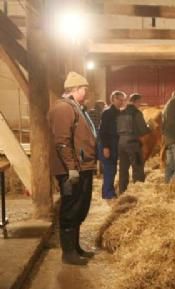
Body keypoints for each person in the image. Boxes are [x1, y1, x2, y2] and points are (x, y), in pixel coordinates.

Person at [47, 71, 97, 266]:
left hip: (82, 166)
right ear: (76, 89)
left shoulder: (75, 107)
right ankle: (68, 253)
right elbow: (62, 141)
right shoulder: (63, 109)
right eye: (84, 89)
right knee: (70, 208)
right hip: (72, 169)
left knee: (79, 207)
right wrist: (71, 168)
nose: (86, 92)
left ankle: (75, 248)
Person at [116, 93, 150, 193]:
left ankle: (122, 191)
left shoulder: (120, 112)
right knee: (138, 168)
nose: (140, 105)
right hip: (133, 143)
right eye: (139, 102)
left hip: (121, 143)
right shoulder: (136, 113)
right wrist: (150, 127)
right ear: (136, 101)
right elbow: (143, 130)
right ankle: (138, 192)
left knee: (123, 169)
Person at [98, 91, 126, 200]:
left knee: (112, 169)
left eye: (122, 100)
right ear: (113, 99)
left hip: (114, 145)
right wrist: (105, 147)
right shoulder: (108, 113)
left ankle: (109, 191)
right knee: (109, 169)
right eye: (119, 99)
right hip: (108, 144)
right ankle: (107, 194)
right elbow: (103, 131)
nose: (121, 102)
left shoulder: (119, 113)